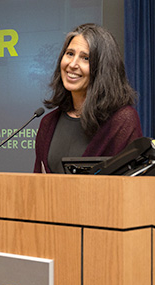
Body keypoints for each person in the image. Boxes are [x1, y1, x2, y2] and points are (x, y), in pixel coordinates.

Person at [33, 23, 143, 173]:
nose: (72, 64)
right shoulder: (48, 123)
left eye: (85, 58)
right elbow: (37, 183)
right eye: (70, 54)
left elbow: (130, 186)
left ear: (103, 69)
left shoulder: (122, 121)